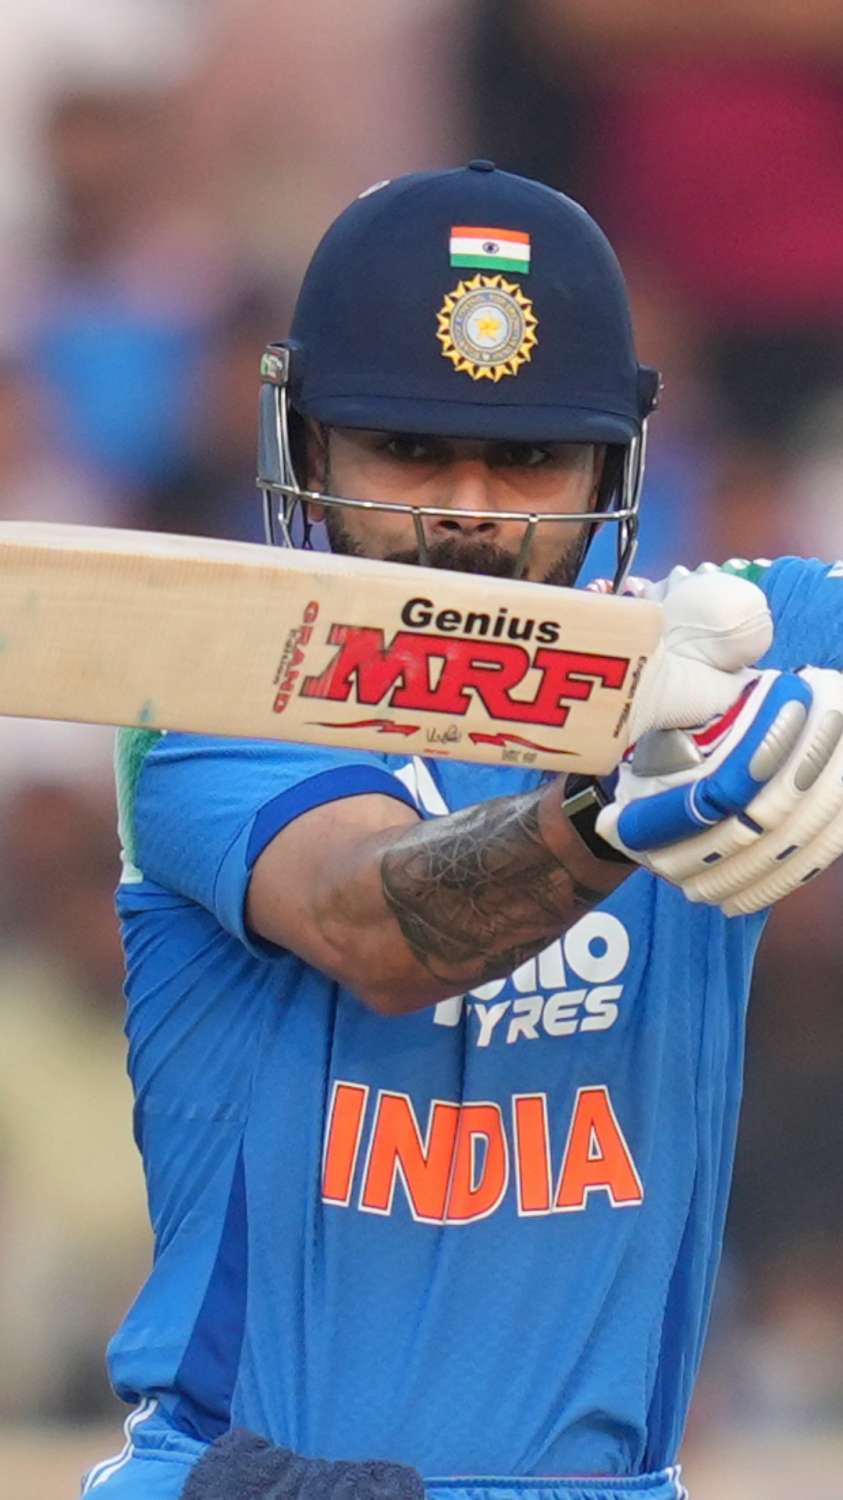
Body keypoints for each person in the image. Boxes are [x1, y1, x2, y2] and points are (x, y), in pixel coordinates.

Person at [81, 163, 843, 1500]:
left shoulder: (723, 641)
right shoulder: (213, 694)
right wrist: (618, 804)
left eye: (531, 459)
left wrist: (812, 721)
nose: (472, 512)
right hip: (268, 1483)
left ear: (615, 462)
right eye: (410, 449)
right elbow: (373, 924)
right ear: (310, 447)